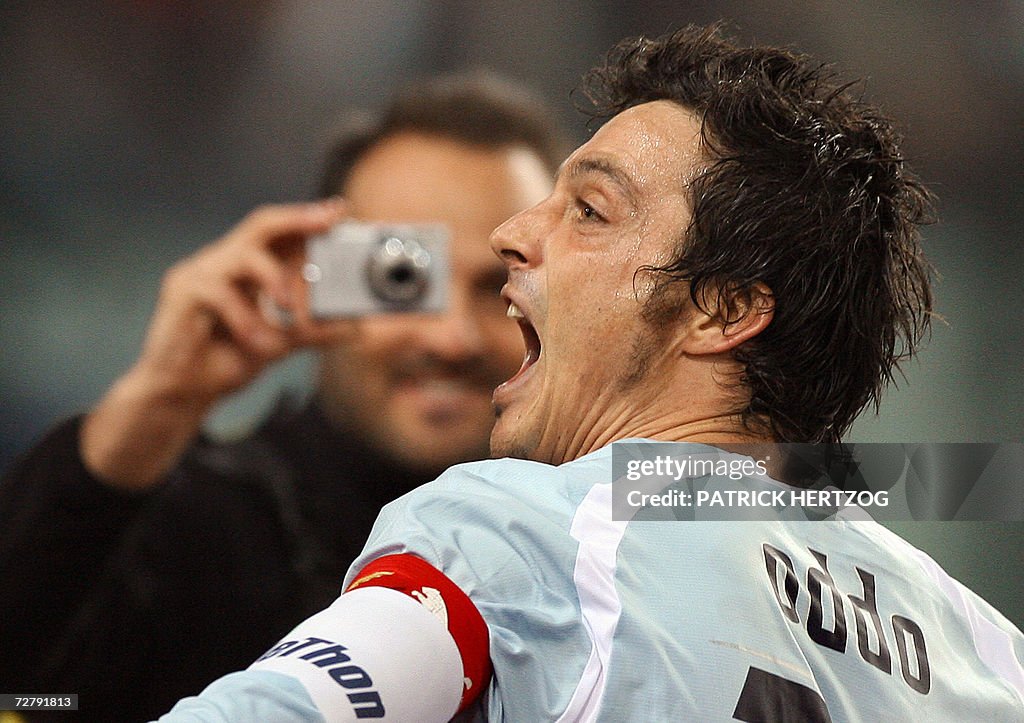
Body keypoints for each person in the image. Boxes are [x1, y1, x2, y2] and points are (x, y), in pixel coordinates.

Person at [157, 24, 1024, 722]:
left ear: (724, 309)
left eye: (590, 210)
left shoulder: (515, 536)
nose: (512, 234)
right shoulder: (987, 651)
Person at [0, 74, 566, 721]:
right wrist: (158, 397)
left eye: (502, 281)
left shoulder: (607, 518)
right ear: (314, 278)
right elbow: (23, 681)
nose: (453, 336)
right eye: (401, 276)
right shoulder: (201, 532)